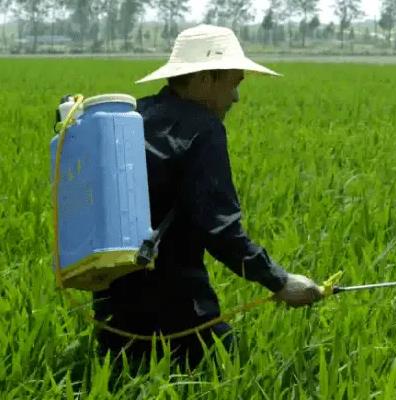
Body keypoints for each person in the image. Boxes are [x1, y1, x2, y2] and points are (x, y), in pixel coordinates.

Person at [92, 25, 323, 370]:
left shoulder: (132, 117)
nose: (236, 97)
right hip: (177, 312)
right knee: (230, 371)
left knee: (122, 379)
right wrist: (280, 281)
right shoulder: (202, 129)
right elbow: (221, 230)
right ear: (203, 79)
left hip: (110, 310)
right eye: (233, 83)